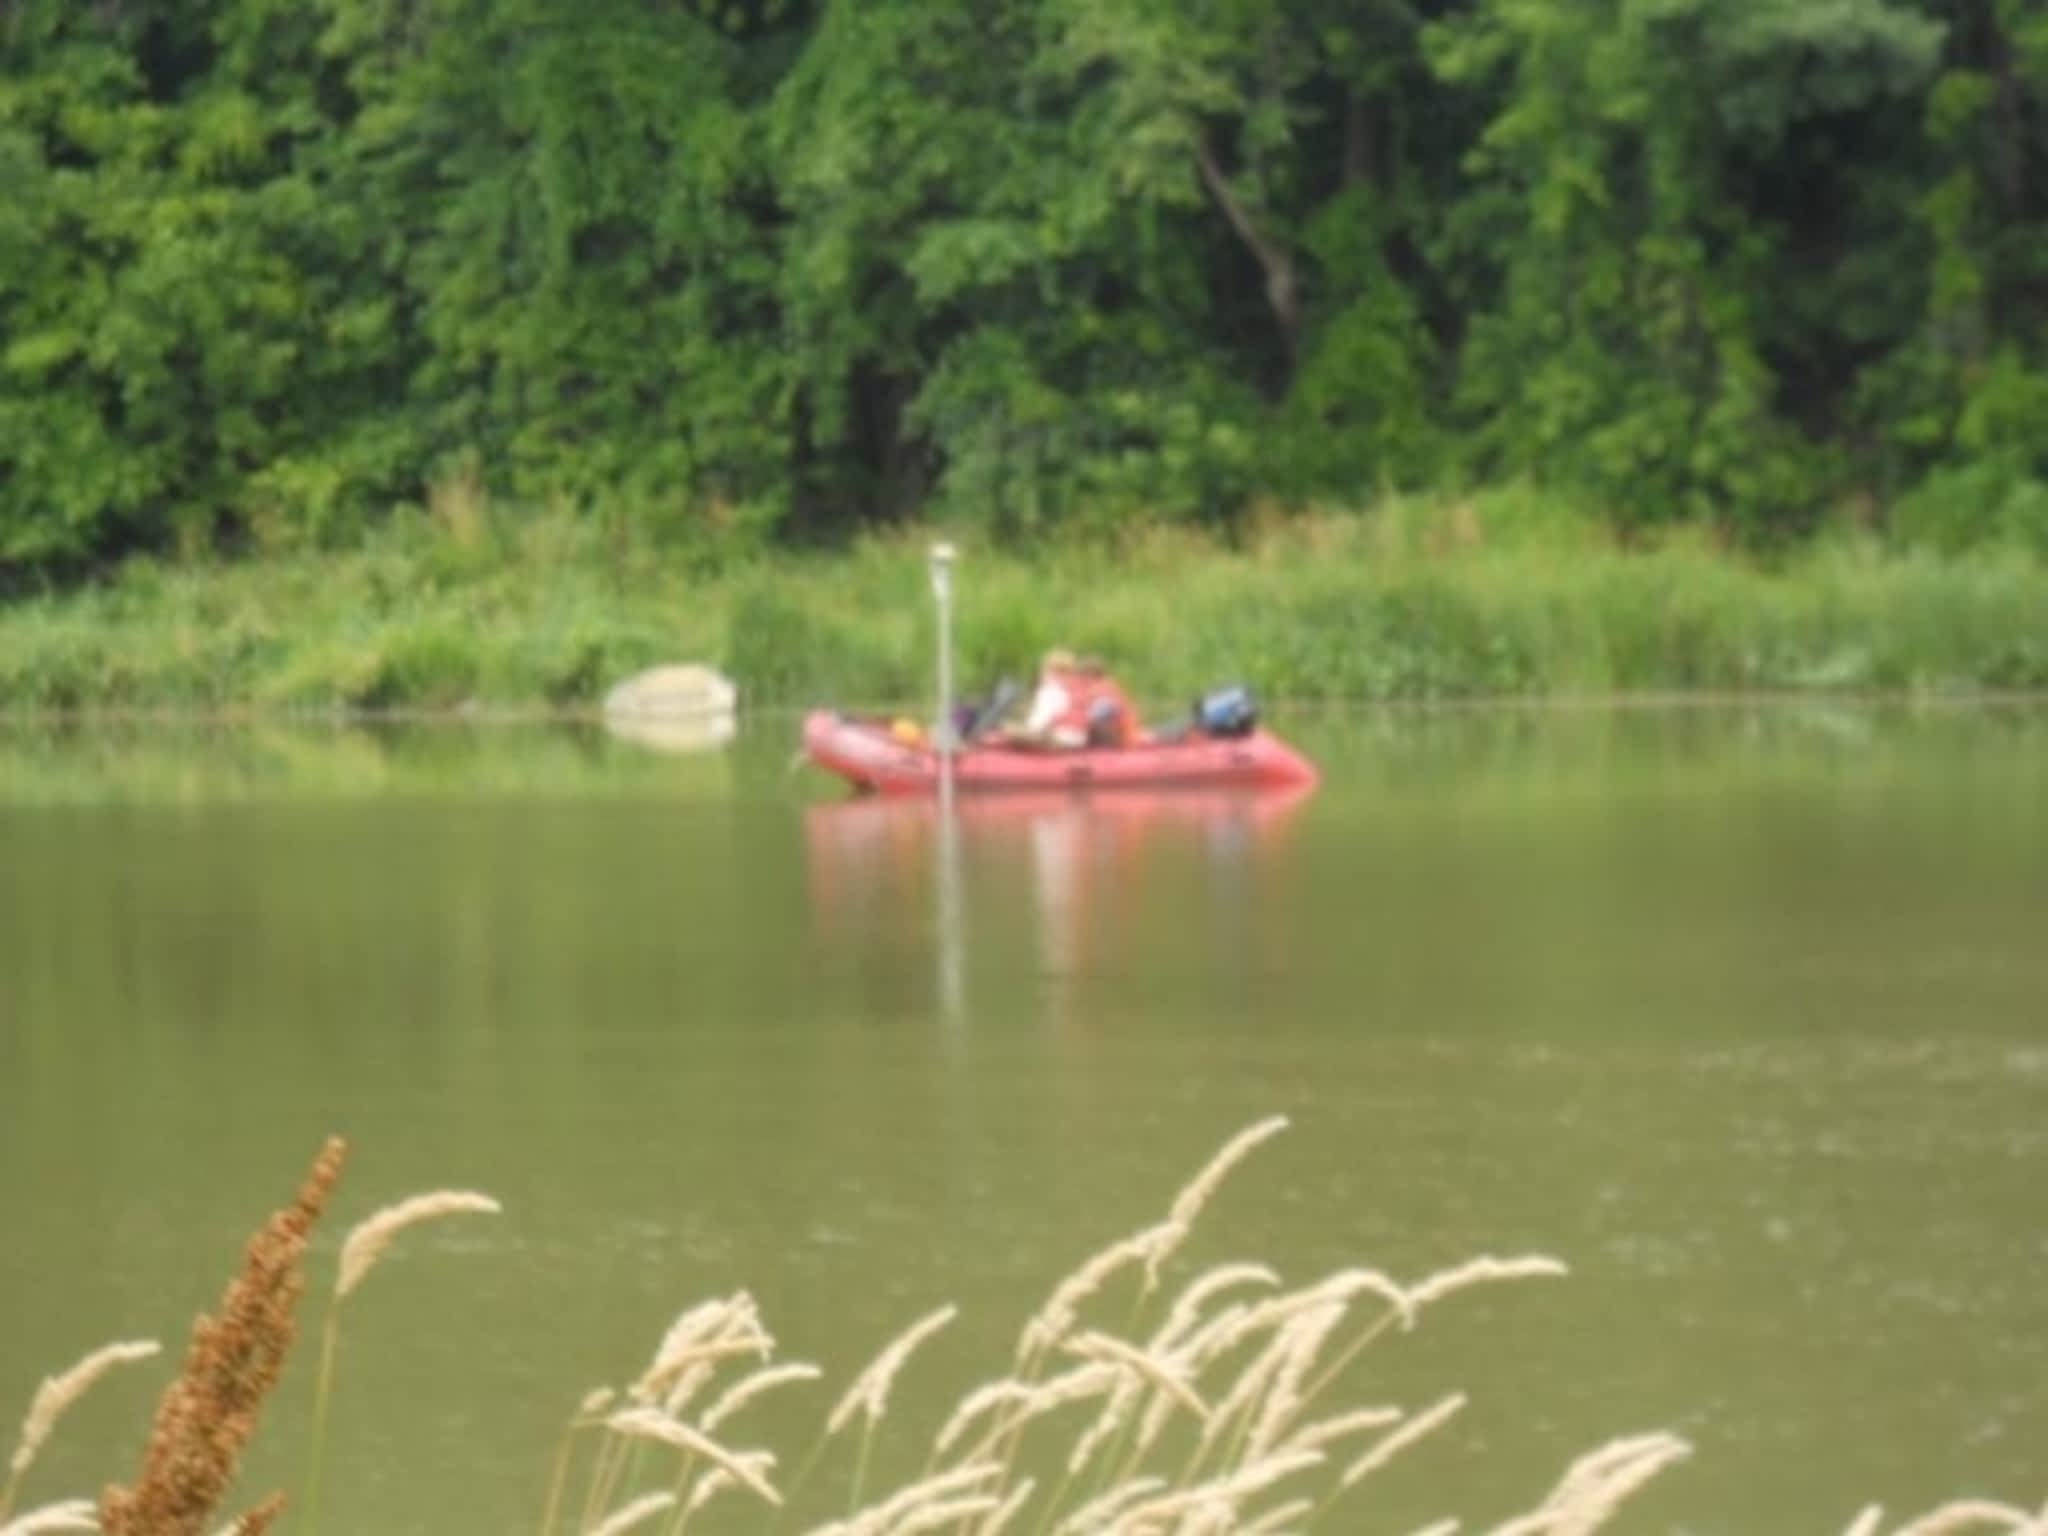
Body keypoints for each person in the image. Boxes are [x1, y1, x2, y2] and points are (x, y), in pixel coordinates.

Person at [1015, 649, 1140, 748]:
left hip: (1120, 741)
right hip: (1080, 736)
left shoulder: (1103, 693)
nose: (1078, 679)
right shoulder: (1092, 690)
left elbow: (1095, 717)